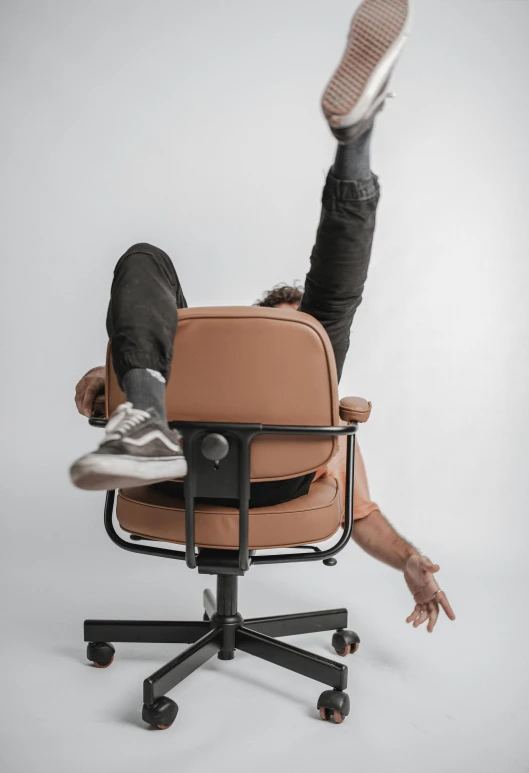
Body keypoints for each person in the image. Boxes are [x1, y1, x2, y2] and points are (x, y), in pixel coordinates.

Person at [70, 0, 455, 633]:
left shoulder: (322, 401)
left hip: (207, 489)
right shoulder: (206, 361)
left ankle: (354, 143)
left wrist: (409, 559)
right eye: (276, 327)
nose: (287, 336)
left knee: (326, 300)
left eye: (296, 336)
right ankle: (144, 417)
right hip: (171, 470)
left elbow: (360, 512)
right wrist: (110, 380)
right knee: (146, 262)